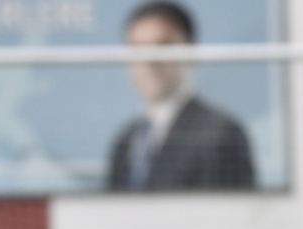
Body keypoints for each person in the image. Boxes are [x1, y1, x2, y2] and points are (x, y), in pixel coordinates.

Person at [106, 2, 256, 191]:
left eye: (162, 47)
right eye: (137, 49)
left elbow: (226, 214)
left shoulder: (221, 134)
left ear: (190, 52)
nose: (149, 61)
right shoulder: (125, 140)